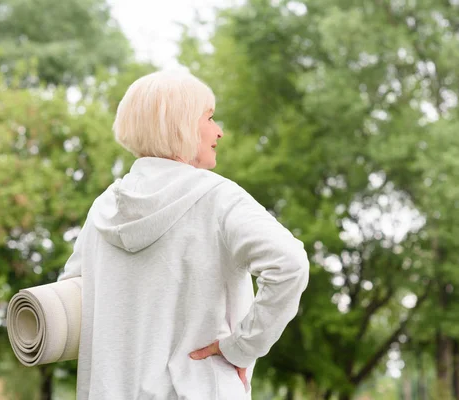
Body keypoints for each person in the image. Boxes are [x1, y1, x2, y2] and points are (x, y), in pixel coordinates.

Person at [58, 70, 309, 400]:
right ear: (182, 123)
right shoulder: (217, 197)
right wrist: (241, 348)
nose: (219, 132)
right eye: (209, 117)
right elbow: (289, 264)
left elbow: (69, 300)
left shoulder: (104, 209)